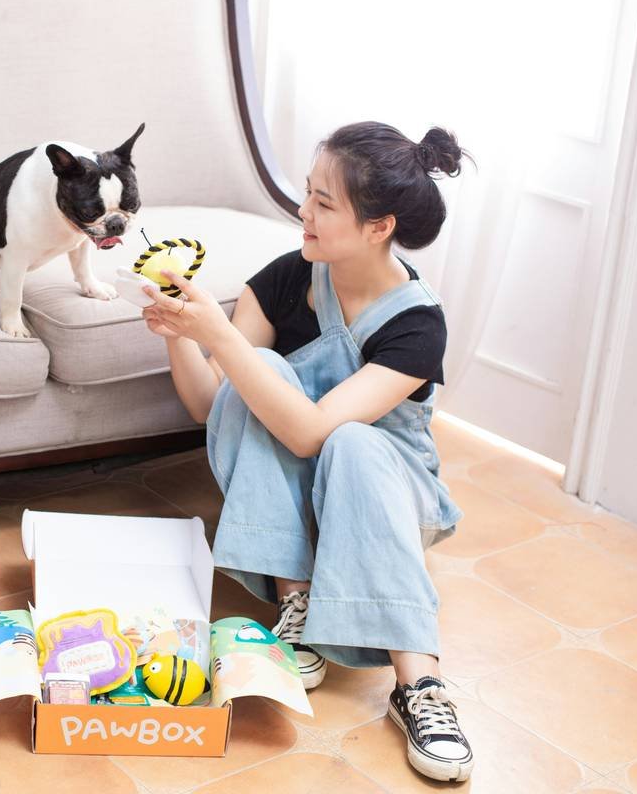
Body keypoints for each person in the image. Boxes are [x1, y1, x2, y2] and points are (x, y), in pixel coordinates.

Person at [143, 122, 473, 783]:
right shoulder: (292, 277)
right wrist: (179, 329)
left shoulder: (416, 323)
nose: (304, 213)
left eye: (325, 203)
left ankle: (422, 686)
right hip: (302, 498)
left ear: (378, 227)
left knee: (349, 437)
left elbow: (312, 434)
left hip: (389, 495)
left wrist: (225, 342)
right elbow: (213, 405)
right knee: (256, 371)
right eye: (308, 194)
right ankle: (297, 603)